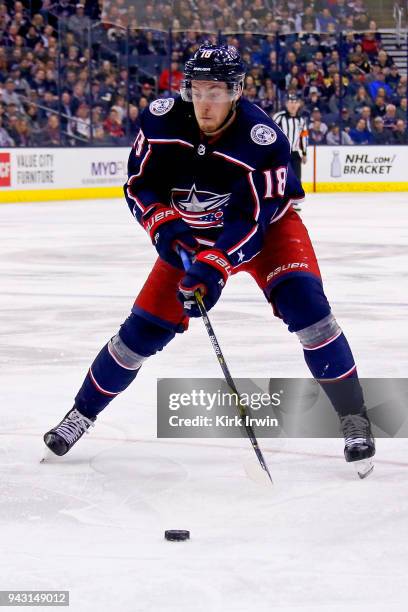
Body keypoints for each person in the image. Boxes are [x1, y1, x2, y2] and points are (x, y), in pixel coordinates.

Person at [43, 43, 375, 476]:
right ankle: (80, 415)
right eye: (197, 89)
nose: (204, 102)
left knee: (309, 308)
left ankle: (355, 419)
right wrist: (167, 230)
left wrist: (215, 265)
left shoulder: (264, 140)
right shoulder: (161, 120)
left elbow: (254, 219)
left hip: (266, 232)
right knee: (138, 334)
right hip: (192, 236)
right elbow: (138, 186)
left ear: (236, 91)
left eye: (216, 90)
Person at [273, 93, 308, 212]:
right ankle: (280, 201)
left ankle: (293, 201)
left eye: (295, 102)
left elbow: (304, 136)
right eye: (290, 102)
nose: (293, 105)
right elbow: (272, 132)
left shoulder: (301, 120)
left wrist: (304, 153)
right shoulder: (279, 117)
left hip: (294, 152)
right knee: (281, 177)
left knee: (296, 177)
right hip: (281, 152)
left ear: (299, 104)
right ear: (286, 104)